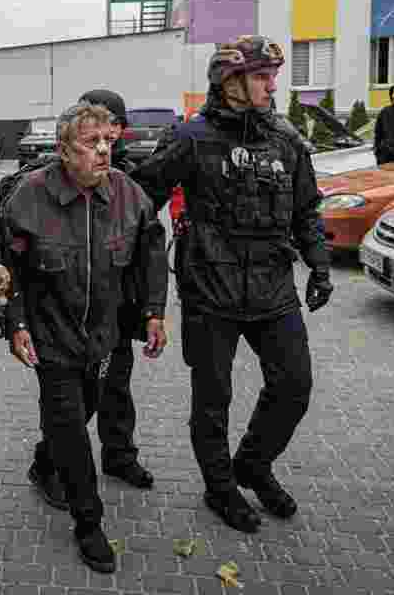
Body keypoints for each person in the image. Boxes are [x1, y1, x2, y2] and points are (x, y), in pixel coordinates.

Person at [131, 36, 333, 533]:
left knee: (294, 386)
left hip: (273, 287)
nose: (272, 85)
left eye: (272, 76)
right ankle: (220, 487)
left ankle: (254, 465)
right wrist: (136, 273)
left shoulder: (285, 138)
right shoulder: (191, 137)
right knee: (213, 398)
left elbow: (307, 208)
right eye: (263, 76)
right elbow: (141, 199)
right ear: (231, 81)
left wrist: (320, 265)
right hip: (209, 289)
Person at [2, 102, 168, 573]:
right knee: (74, 432)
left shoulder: (127, 194)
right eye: (89, 144)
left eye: (108, 143)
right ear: (62, 150)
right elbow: (6, 269)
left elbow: (151, 254)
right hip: (51, 337)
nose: (102, 152)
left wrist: (155, 312)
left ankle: (42, 459)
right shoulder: (30, 198)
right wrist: (14, 325)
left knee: (83, 411)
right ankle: (88, 523)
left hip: (103, 339)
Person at [77, 88, 156, 488]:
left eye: (111, 124)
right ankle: (53, 460)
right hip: (78, 311)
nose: (103, 133)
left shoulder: (135, 178)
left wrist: (151, 308)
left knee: (117, 388)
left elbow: (150, 245)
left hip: (121, 306)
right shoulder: (65, 170)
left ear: (121, 129)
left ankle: (119, 456)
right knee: (78, 397)